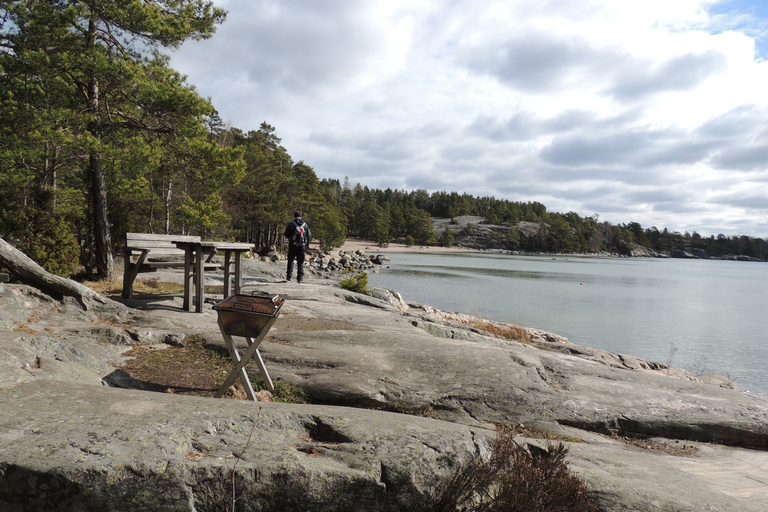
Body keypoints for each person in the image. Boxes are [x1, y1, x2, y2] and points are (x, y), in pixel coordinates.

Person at [284, 210, 311, 283]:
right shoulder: (305, 225)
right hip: (302, 246)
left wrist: (290, 238)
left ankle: (289, 276)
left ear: (294, 216)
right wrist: (306, 246)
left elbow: (286, 234)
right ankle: (300, 278)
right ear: (301, 217)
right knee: (300, 262)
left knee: (290, 261)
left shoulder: (291, 224)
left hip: (293, 245)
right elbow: (309, 235)